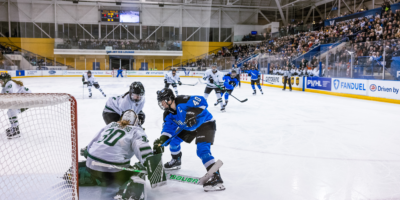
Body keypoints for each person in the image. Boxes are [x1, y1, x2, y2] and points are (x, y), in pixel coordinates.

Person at [153, 88, 225, 192]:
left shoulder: (182, 100)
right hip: (188, 127)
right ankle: (176, 160)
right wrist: (161, 141)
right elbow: (168, 130)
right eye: (161, 102)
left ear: (170, 99)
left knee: (202, 150)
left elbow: (202, 101)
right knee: (173, 142)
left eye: (164, 101)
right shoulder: (167, 114)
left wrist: (192, 112)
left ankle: (216, 177)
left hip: (205, 124)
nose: (162, 104)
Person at [77, 110, 152, 200]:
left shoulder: (110, 125)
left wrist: (87, 151)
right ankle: (128, 193)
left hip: (91, 164)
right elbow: (143, 149)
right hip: (114, 171)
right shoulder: (136, 130)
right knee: (138, 172)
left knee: (94, 164)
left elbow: (94, 140)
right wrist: (150, 163)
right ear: (136, 121)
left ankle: (86, 174)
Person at [0, 73, 32, 139]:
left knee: (12, 111)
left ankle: (16, 131)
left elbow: (9, 96)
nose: (0, 82)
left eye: (1, 80)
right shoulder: (5, 86)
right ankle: (14, 128)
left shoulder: (10, 83)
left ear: (5, 79)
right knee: (10, 111)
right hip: (23, 100)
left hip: (28, 100)